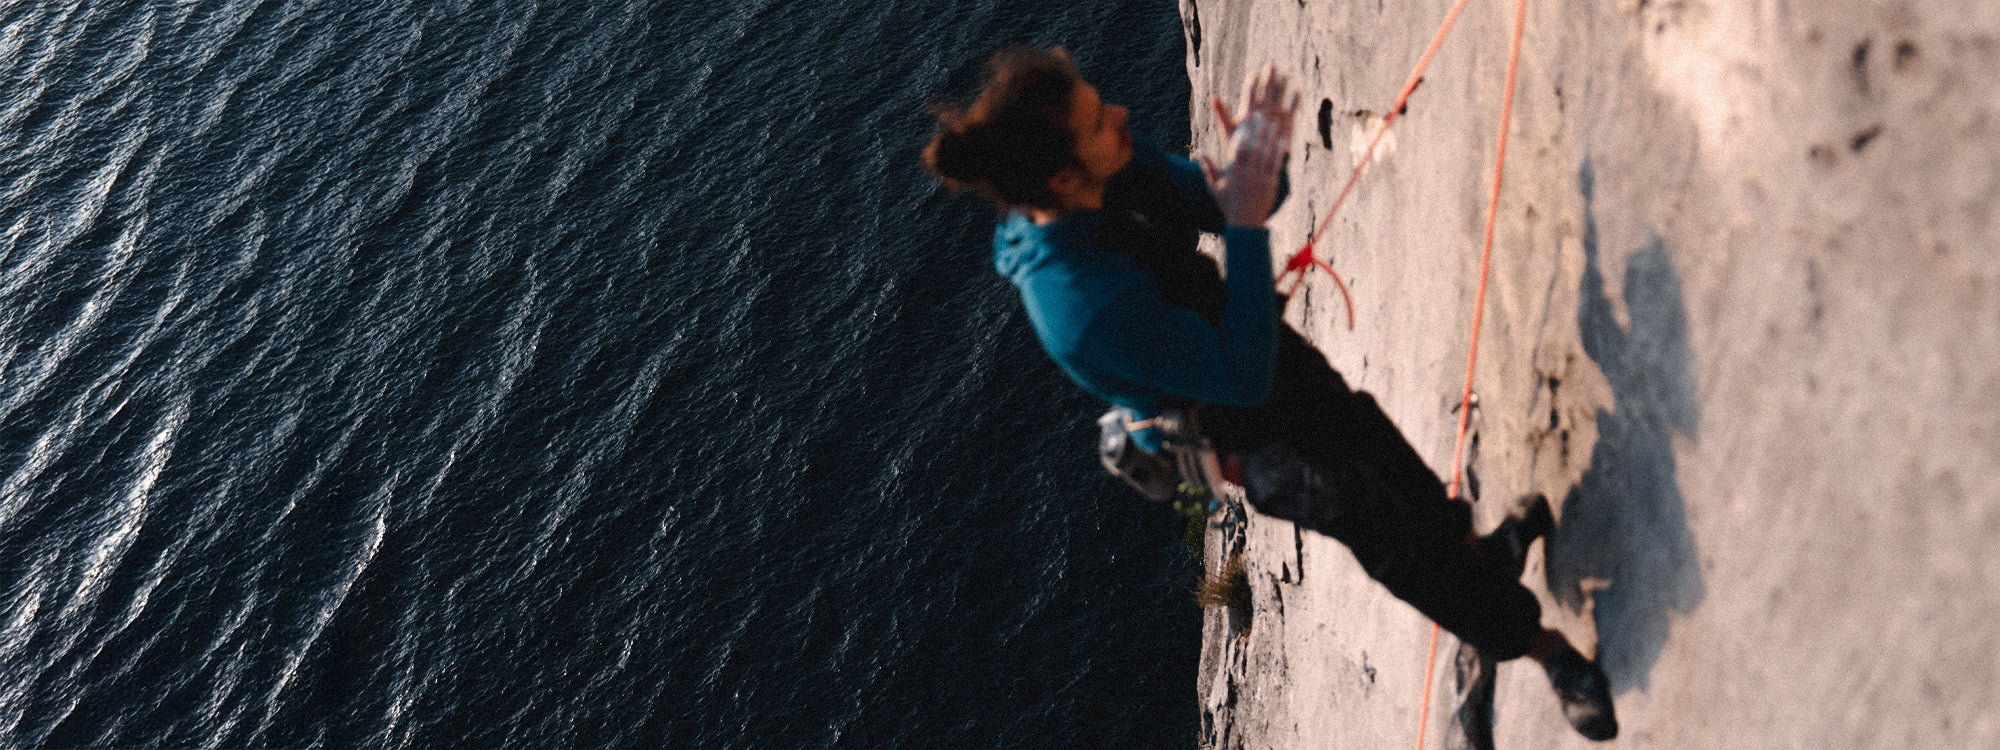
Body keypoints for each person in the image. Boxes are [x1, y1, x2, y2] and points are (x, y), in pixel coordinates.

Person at [921, 47, 1617, 745]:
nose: (1122, 115)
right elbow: (1240, 373)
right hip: (1251, 437)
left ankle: (1479, 562)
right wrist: (1248, 222)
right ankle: (1539, 647)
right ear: (1064, 176)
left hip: (1266, 358)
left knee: (1394, 464)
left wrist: (1256, 169)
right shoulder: (1081, 304)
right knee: (1395, 539)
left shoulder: (1104, 176)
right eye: (1099, 120)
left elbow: (1222, 207)